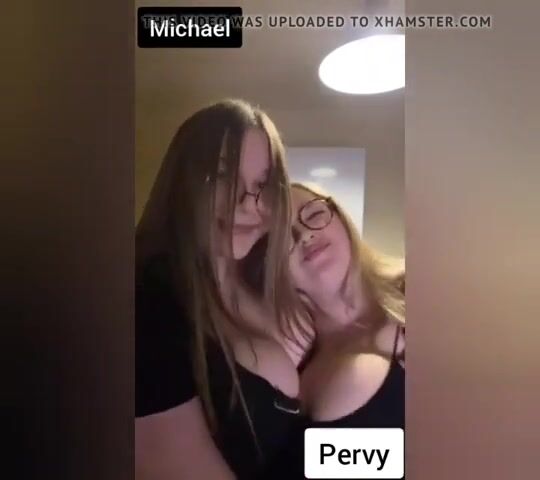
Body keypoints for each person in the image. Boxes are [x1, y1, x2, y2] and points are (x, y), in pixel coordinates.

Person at [135, 99, 311, 480]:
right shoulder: (147, 298)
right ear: (182, 184)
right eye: (221, 177)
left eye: (262, 185)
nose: (248, 205)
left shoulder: (265, 282)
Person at [287, 182, 405, 478]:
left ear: (341, 217)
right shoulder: (290, 371)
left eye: (314, 214)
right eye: (282, 236)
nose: (305, 234)